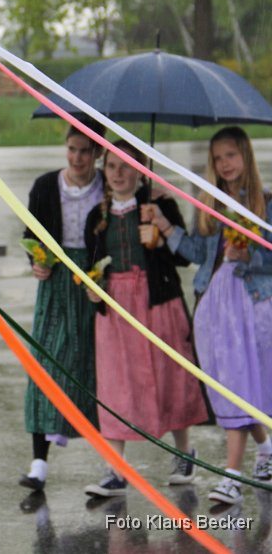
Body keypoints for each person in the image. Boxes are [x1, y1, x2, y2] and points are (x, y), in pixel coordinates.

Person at [144, 126, 272, 506]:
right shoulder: (210, 204)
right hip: (214, 306)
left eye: (230, 155)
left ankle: (232, 476)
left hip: (252, 305)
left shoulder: (264, 202)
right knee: (232, 385)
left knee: (240, 384)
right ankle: (265, 452)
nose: (224, 164)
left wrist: (250, 256)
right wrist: (165, 226)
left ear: (245, 156)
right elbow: (198, 253)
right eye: (217, 158)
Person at [80, 141, 208, 498]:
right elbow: (92, 265)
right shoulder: (98, 216)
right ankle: (116, 469)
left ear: (141, 169)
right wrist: (94, 286)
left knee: (170, 374)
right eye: (112, 167)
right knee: (116, 382)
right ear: (104, 173)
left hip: (158, 303)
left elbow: (184, 260)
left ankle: (184, 453)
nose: (119, 174)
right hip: (116, 310)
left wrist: (161, 232)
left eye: (126, 166)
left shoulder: (159, 206)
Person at [19, 122, 105, 492]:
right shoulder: (45, 186)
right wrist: (36, 262)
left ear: (98, 153)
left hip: (93, 282)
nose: (77, 158)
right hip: (55, 282)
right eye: (72, 149)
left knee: (98, 367)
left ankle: (111, 462)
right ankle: (39, 461)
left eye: (85, 151)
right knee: (46, 362)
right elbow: (30, 233)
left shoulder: (107, 188)